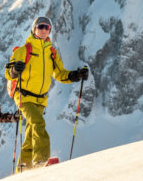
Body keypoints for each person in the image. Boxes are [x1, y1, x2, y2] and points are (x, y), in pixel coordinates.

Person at [5, 16, 89, 171]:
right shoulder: (23, 51)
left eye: (47, 27)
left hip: (40, 100)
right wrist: (15, 70)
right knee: (38, 124)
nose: (44, 30)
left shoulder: (51, 52)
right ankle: (41, 161)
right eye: (41, 26)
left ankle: (23, 169)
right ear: (34, 29)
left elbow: (60, 74)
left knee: (31, 133)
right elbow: (8, 74)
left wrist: (76, 75)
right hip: (24, 97)